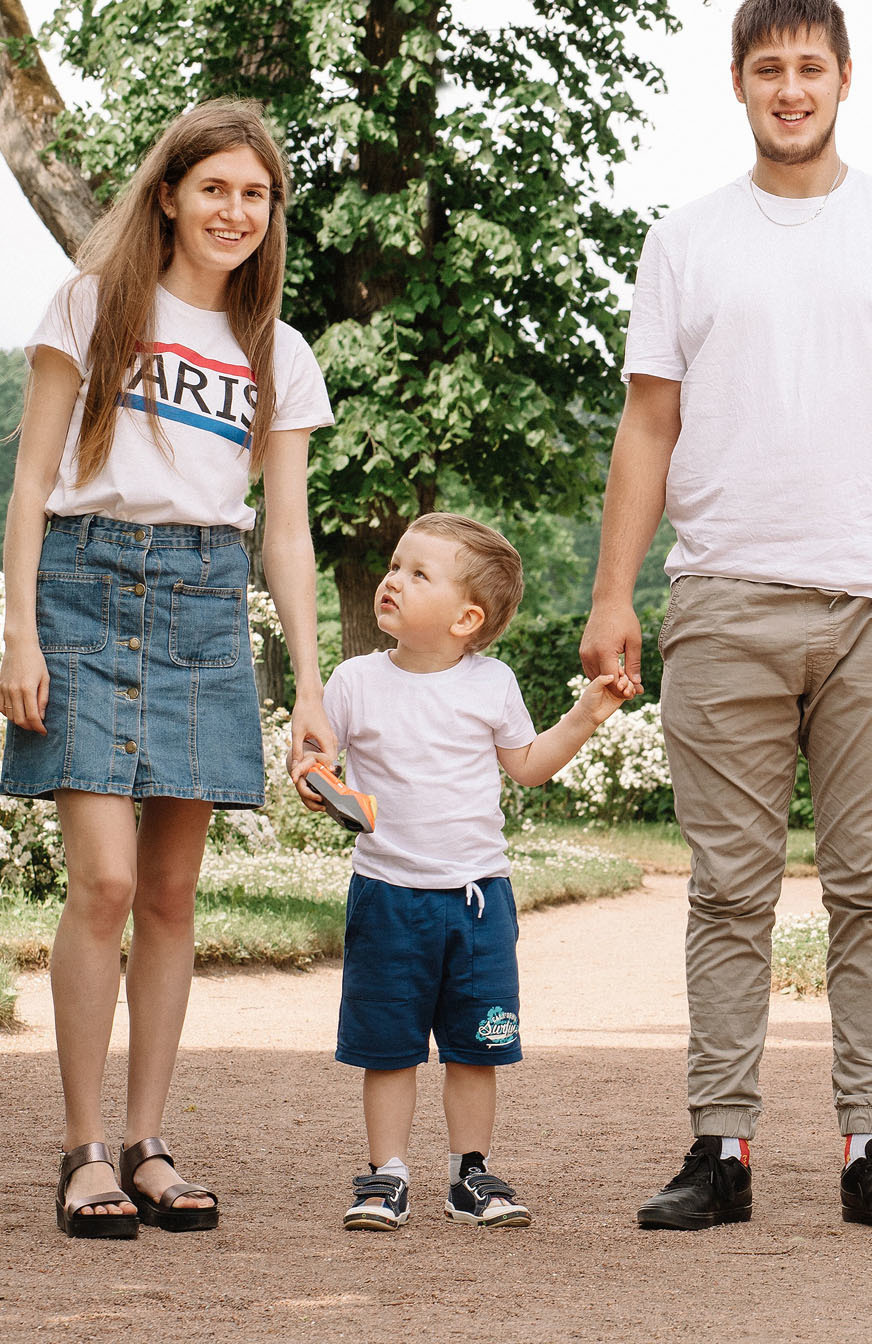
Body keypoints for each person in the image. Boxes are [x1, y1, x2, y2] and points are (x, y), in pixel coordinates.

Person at [579, 0, 872, 1235]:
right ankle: (721, 1147)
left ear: (844, 78)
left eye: (810, 66)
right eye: (768, 69)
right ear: (739, 85)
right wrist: (613, 593)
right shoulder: (687, 239)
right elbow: (647, 423)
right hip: (725, 596)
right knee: (728, 888)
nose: (791, 88)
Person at [0, 99, 335, 1240]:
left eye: (256, 195)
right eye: (216, 189)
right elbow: (31, 480)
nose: (236, 212)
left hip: (203, 598)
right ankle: (83, 1147)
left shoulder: (279, 353)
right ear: (171, 197)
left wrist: (311, 686)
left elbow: (285, 531)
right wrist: (20, 633)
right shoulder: (92, 307)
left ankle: (148, 1142)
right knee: (101, 882)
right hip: (85, 588)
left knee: (172, 893)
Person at [304, 512, 634, 1233]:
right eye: (395, 565)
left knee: (474, 1048)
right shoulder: (355, 680)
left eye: (418, 573)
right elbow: (318, 760)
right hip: (387, 896)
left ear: (466, 619)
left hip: (478, 900)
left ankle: (469, 1173)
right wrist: (317, 778)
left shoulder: (493, 683)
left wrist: (587, 714)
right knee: (389, 1048)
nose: (392, 580)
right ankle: (387, 1174)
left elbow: (529, 766)